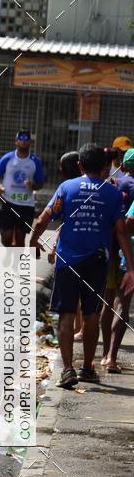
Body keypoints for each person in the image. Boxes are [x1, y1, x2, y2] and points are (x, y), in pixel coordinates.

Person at [30, 143, 134, 389]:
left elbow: (44, 218)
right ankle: (88, 367)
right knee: (91, 316)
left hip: (67, 261)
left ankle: (67, 370)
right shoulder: (112, 193)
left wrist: (34, 242)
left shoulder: (67, 187)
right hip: (97, 262)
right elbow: (121, 232)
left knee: (66, 315)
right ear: (105, 166)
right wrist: (130, 268)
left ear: (80, 165)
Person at [102, 147, 134, 372]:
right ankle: (112, 358)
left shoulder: (116, 186)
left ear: (123, 166)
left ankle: (105, 353)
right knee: (123, 303)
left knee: (109, 300)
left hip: (114, 249)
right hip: (127, 252)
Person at [0, 130, 44, 248]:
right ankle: (8, 253)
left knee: (20, 237)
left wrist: (33, 185)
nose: (23, 141)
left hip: (26, 205)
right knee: (7, 237)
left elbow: (40, 183)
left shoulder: (35, 161)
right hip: (7, 202)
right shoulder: (7, 158)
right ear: (16, 141)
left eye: (26, 139)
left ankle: (16, 264)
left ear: (31, 142)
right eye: (20, 138)